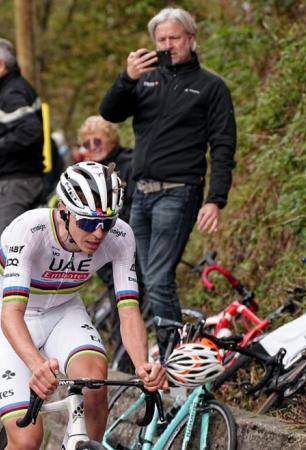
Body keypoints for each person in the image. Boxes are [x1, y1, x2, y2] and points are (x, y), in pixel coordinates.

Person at [0, 161, 166, 449]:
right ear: (64, 211)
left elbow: (129, 310)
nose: (98, 233)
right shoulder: (29, 230)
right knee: (27, 439)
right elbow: (11, 314)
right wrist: (36, 365)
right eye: (87, 223)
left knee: (94, 379)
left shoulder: (120, 237)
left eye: (106, 223)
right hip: (12, 317)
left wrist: (143, 363)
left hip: (64, 311)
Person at [99, 7, 237, 356]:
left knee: (159, 278)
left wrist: (214, 199)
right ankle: (151, 356)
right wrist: (127, 78)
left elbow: (223, 146)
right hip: (140, 194)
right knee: (142, 280)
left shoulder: (211, 86)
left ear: (191, 38)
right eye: (161, 39)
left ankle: (175, 359)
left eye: (174, 38)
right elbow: (110, 113)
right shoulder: (145, 80)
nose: (168, 45)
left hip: (179, 192)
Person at [0, 38, 44, 254]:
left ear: (0, 66)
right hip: (24, 181)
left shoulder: (12, 93)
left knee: (9, 257)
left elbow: (31, 130)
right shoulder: (19, 88)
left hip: (13, 187)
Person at [78, 115, 134, 223]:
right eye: (87, 144)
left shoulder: (130, 163)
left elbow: (134, 207)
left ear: (112, 140)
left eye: (97, 141)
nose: (92, 147)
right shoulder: (88, 169)